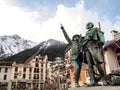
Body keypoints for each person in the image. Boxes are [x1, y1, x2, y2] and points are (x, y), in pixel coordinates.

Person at [83, 22, 107, 86]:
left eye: (88, 24)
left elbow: (101, 36)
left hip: (93, 46)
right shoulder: (86, 33)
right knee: (90, 65)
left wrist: (101, 42)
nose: (87, 25)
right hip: (86, 49)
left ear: (91, 25)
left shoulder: (95, 29)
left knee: (96, 63)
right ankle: (93, 81)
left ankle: (104, 78)